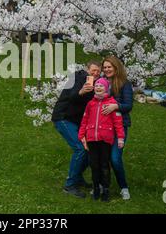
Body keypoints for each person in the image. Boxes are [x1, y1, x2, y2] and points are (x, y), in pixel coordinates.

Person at [51, 60, 102, 198]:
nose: (96, 73)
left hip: (77, 121)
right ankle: (69, 185)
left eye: (98, 71)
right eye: (93, 70)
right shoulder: (77, 77)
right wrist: (81, 91)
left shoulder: (96, 83)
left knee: (87, 149)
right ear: (87, 69)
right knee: (80, 148)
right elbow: (71, 96)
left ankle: (78, 177)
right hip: (63, 117)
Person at [78, 78, 125, 202]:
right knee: (94, 165)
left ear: (106, 88)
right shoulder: (90, 104)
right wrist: (81, 136)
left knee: (104, 164)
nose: (98, 88)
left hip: (105, 140)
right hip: (92, 139)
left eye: (101, 86)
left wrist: (120, 138)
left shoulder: (111, 102)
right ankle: (96, 188)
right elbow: (84, 120)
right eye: (97, 85)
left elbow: (118, 123)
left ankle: (105, 189)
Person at [101, 56, 134, 200]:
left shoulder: (124, 84)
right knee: (103, 158)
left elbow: (129, 105)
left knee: (115, 158)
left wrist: (116, 106)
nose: (107, 69)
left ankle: (124, 187)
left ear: (116, 67)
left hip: (119, 126)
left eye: (110, 67)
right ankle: (103, 186)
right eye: (105, 67)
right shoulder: (101, 82)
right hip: (103, 126)